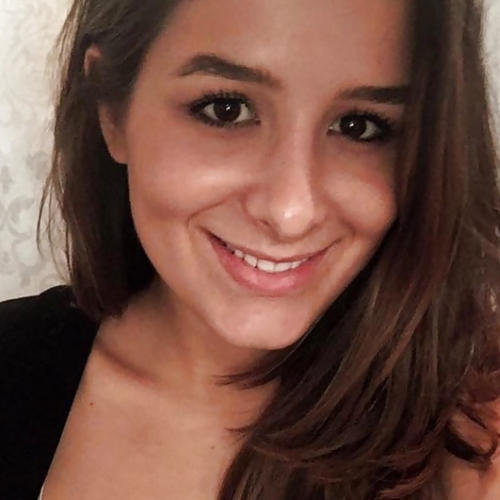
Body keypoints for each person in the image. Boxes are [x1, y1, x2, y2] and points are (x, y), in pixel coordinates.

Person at [1, 0, 499, 498]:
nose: (291, 212)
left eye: (359, 126)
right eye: (227, 109)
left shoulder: (473, 449)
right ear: (112, 112)